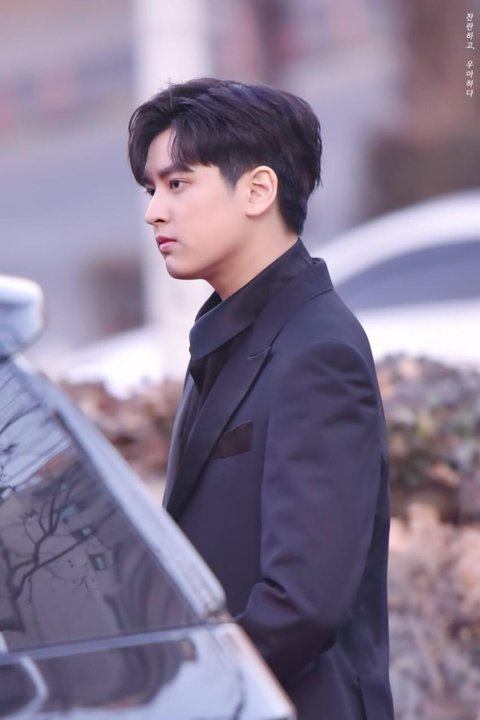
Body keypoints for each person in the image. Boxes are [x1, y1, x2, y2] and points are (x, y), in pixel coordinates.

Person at [127, 78, 394, 720]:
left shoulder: (317, 351)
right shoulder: (230, 330)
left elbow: (304, 604)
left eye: (178, 183)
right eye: (151, 189)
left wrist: (182, 690)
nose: (155, 211)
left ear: (258, 190)